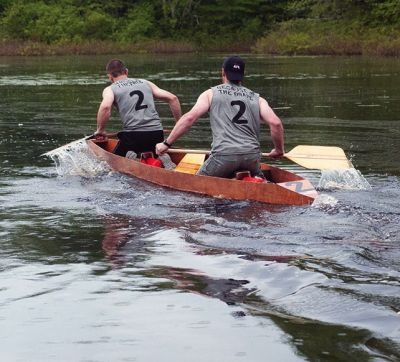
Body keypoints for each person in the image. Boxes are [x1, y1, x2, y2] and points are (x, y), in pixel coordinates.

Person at [156, 55, 284, 178]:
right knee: (257, 175)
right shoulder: (257, 98)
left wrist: (166, 144)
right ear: (243, 75)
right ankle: (258, 180)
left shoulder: (210, 94)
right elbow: (276, 123)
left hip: (224, 156)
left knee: (196, 184)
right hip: (251, 158)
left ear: (223, 72)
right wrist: (279, 150)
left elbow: (189, 118)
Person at [95, 59, 182, 157]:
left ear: (110, 77)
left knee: (109, 164)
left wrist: (100, 130)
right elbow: (173, 98)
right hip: (157, 134)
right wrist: (179, 124)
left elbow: (105, 107)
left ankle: (132, 155)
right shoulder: (146, 83)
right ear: (126, 71)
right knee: (153, 154)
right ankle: (157, 158)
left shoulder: (110, 89)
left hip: (133, 137)